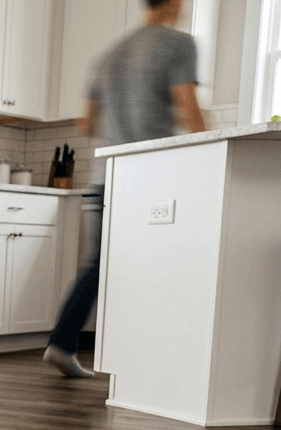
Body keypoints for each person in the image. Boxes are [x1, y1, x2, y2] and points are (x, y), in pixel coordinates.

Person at [44, 0, 205, 378]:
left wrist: (126, 117)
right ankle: (150, 358)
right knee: (159, 262)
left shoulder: (109, 53)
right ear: (176, 2)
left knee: (100, 263)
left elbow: (86, 124)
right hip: (154, 176)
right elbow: (192, 109)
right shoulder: (180, 44)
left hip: (107, 175)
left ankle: (62, 342)